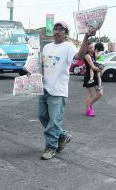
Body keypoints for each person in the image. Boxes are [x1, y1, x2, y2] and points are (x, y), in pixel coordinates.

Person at [37, 21, 96, 160]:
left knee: (53, 121)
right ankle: (63, 135)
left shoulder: (69, 47)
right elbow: (42, 65)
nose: (57, 31)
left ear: (66, 33)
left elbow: (80, 57)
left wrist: (86, 37)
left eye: (61, 29)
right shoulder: (47, 47)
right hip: (44, 87)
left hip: (58, 90)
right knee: (42, 116)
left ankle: (51, 147)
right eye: (55, 29)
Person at [83, 42, 103, 117]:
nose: (92, 49)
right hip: (89, 76)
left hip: (96, 75)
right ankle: (88, 110)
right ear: (87, 49)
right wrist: (100, 69)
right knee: (90, 94)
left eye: (93, 47)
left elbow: (100, 59)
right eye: (90, 48)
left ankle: (89, 105)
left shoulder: (94, 54)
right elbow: (93, 67)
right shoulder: (87, 56)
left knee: (100, 93)